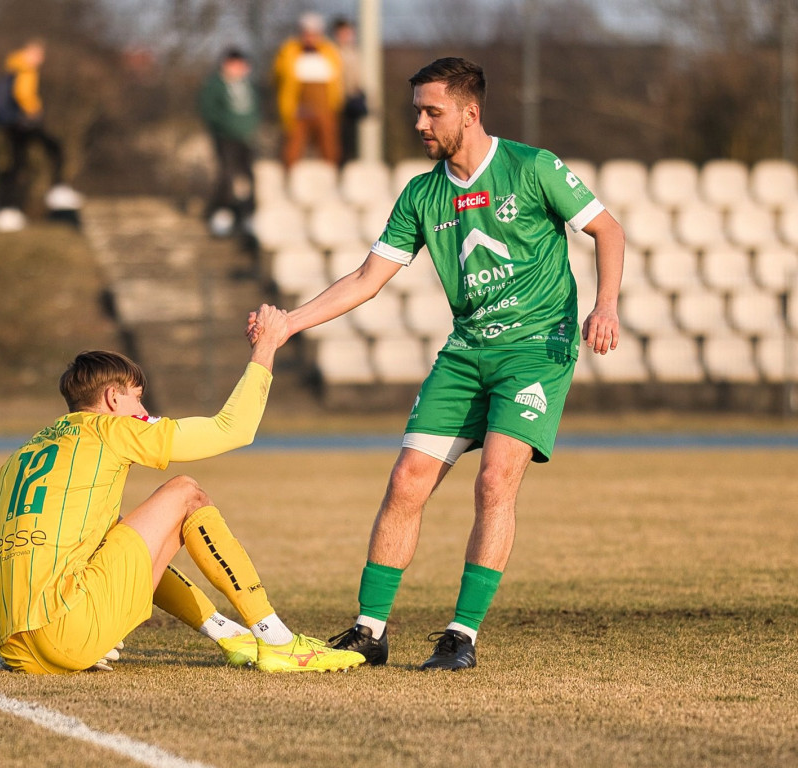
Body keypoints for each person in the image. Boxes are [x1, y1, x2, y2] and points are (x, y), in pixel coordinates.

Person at [248, 58, 624, 670]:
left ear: (470, 112)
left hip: (536, 349)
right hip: (466, 352)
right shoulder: (422, 193)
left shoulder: (533, 167)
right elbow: (368, 279)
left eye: (433, 111)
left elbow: (609, 231)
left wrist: (605, 306)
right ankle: (370, 631)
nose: (420, 122)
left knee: (495, 481)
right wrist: (291, 322)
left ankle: (461, 637)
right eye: (416, 111)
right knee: (405, 484)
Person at [0, 305, 365, 674]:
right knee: (185, 493)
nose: (143, 411)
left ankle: (228, 634)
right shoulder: (113, 429)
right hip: (69, 630)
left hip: (16, 650)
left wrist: (3, 646)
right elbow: (234, 429)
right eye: (137, 399)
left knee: (117, 532)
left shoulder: (21, 455)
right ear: (112, 397)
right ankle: (277, 640)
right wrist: (266, 347)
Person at [0, 40, 80, 232]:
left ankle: (8, 211)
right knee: (54, 149)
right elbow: (23, 93)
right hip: (23, 123)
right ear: (28, 52)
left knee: (17, 164)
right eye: (38, 53)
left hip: (12, 124)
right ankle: (58, 190)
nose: (40, 58)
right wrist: (33, 111)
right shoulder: (25, 69)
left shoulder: (12, 67)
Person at [198, 48, 260, 238]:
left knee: (249, 175)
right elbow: (208, 109)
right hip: (224, 137)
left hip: (245, 137)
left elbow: (255, 109)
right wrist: (224, 125)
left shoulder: (248, 86)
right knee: (227, 173)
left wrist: (251, 126)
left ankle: (248, 215)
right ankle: (220, 213)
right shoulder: (215, 85)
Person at [272, 12, 344, 168]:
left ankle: (330, 175)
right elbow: (279, 75)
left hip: (324, 107)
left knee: (329, 147)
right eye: (307, 33)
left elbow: (336, 79)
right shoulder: (289, 51)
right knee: (293, 147)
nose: (310, 37)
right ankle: (289, 176)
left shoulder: (329, 51)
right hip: (298, 109)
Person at [332, 17, 367, 165]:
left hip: (350, 104)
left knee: (349, 140)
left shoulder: (354, 53)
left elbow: (357, 79)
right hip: (335, 103)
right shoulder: (331, 52)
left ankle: (348, 163)